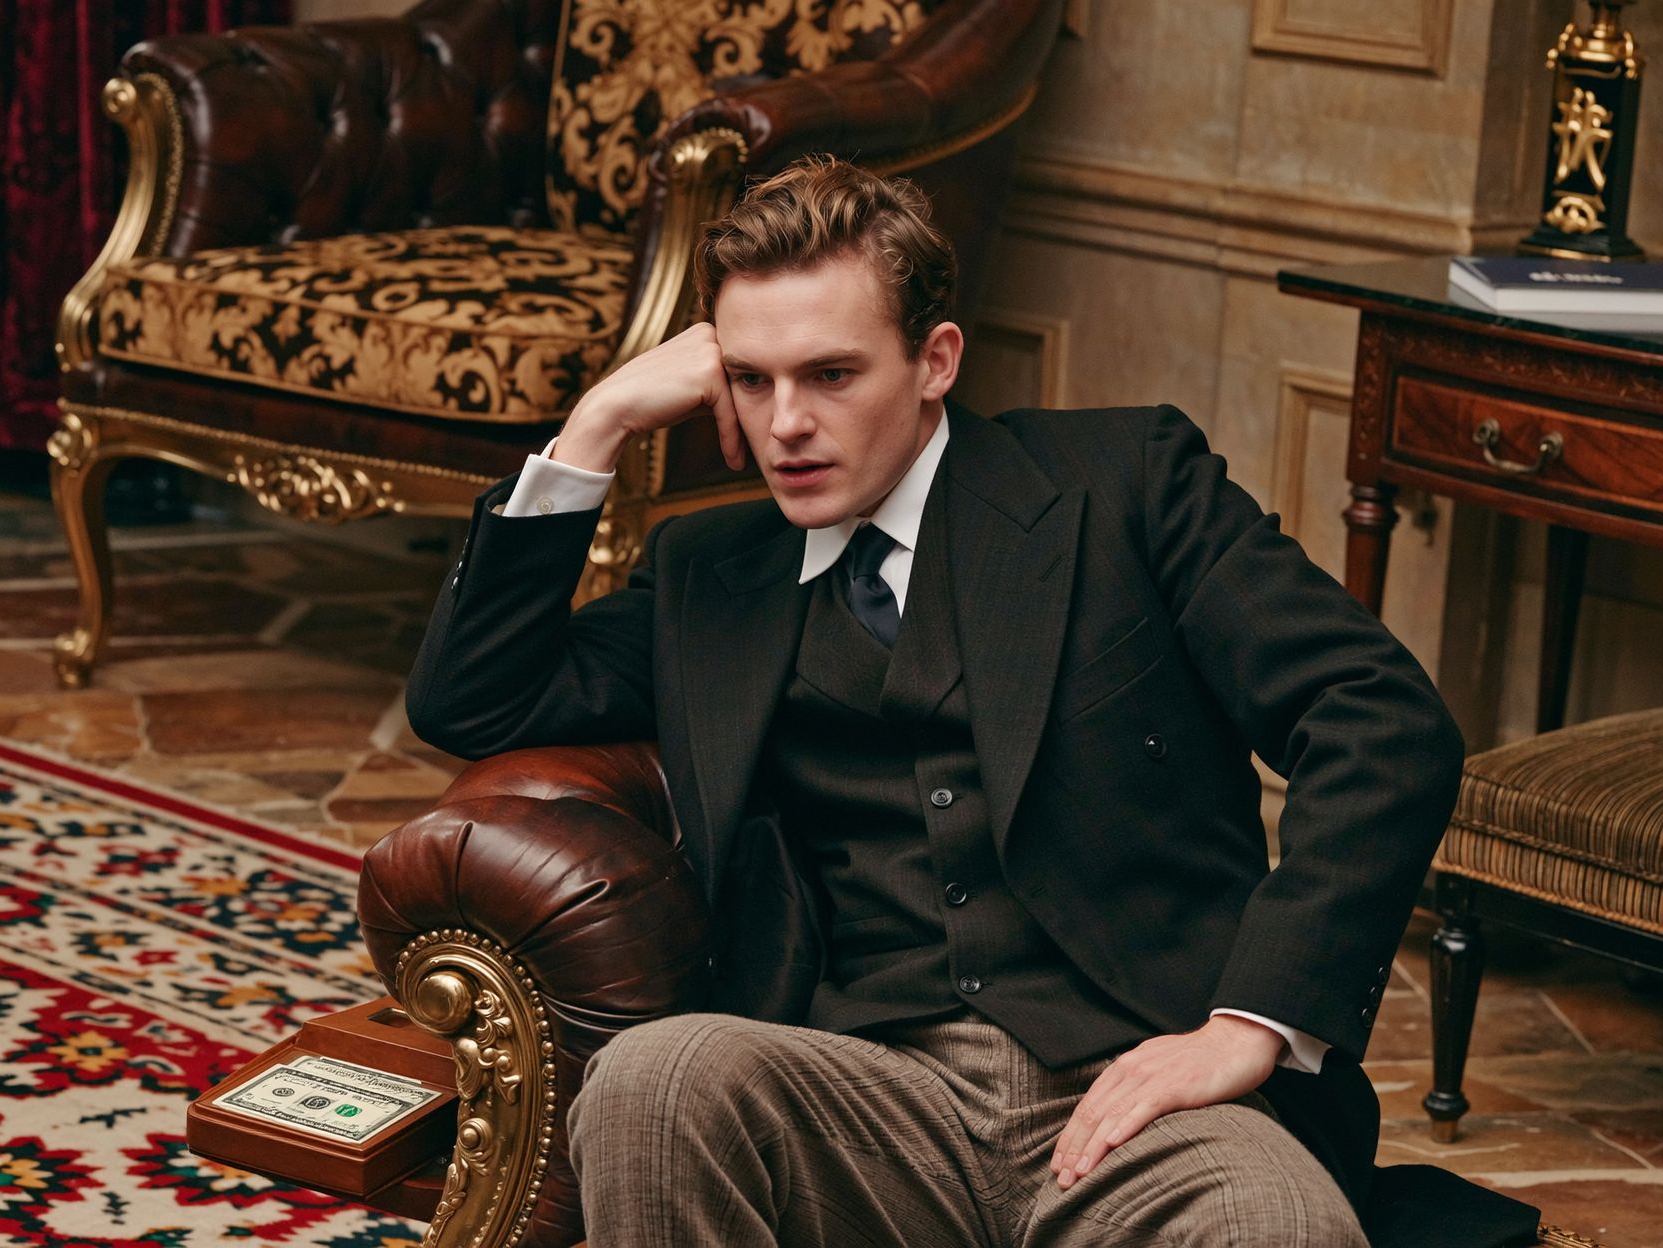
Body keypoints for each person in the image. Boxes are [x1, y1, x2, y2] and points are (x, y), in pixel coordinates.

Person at [407, 158, 1538, 1247]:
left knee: (1277, 1231)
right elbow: (473, 699)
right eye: (751, 381)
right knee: (649, 1082)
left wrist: (1246, 1026)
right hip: (867, 1099)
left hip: (1145, 1098)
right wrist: (594, 426)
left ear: (934, 361)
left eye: (830, 375)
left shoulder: (1122, 484)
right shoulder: (712, 573)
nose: (784, 423)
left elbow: (1378, 717)